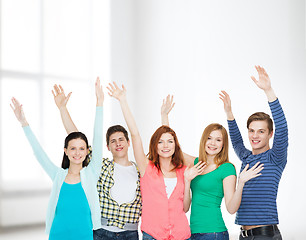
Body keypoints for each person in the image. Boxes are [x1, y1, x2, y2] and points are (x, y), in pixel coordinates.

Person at [10, 78, 104, 240]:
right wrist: (23, 122)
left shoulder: (92, 172)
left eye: (82, 148)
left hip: (84, 235)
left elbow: (98, 136)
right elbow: (39, 153)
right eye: (73, 148)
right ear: (65, 151)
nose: (77, 153)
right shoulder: (58, 175)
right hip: (57, 234)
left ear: (88, 151)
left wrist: (99, 103)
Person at [107, 82, 202, 240]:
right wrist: (123, 100)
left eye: (170, 142)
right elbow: (135, 134)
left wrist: (187, 181)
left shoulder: (183, 170)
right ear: (154, 146)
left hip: (182, 235)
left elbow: (185, 208)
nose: (165, 146)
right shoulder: (146, 168)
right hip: (153, 235)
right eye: (160, 142)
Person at [161, 96, 264, 240]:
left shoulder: (226, 168)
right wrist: (164, 116)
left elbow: (231, 208)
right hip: (192, 232)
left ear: (223, 144)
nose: (213, 143)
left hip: (214, 233)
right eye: (209, 138)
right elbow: (172, 150)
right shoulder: (196, 163)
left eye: (218, 139)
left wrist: (241, 183)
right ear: (204, 140)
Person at [52, 84, 142, 240]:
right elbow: (76, 136)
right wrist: (62, 108)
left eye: (121, 139)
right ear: (107, 147)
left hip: (130, 233)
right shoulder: (101, 166)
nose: (118, 143)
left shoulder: (140, 169)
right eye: (113, 141)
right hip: (102, 232)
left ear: (128, 143)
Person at [219, 66, 288, 239]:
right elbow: (235, 141)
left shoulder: (275, 157)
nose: (255, 136)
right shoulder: (246, 157)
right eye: (251, 131)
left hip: (265, 234)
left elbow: (283, 128)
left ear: (270, 134)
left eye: (261, 131)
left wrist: (268, 91)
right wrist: (229, 113)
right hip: (244, 235)